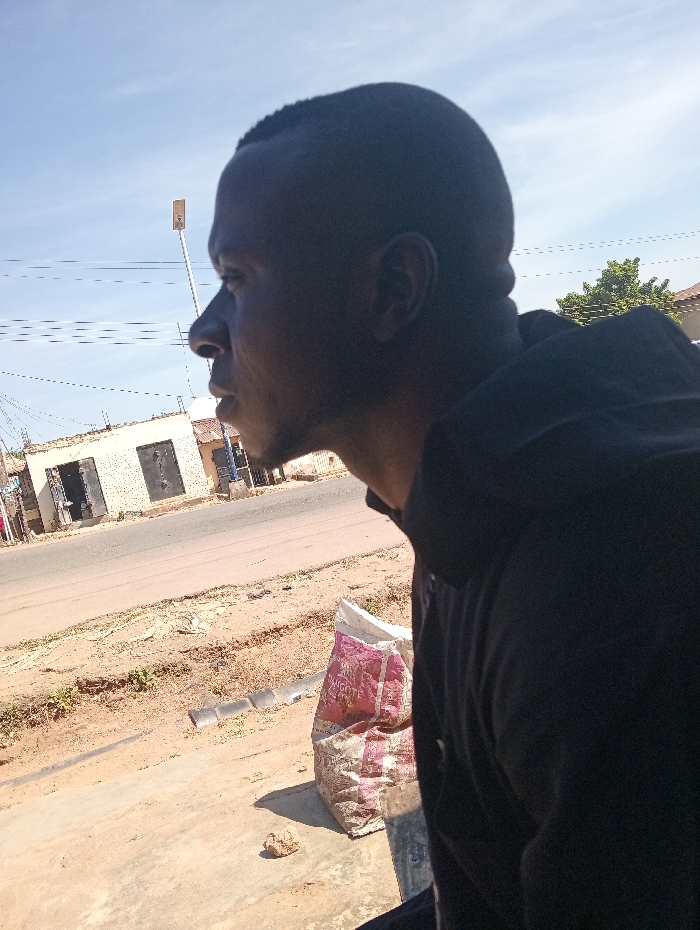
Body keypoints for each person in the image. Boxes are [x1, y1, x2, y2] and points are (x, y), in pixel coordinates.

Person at [189, 83, 700, 928]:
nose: (204, 331)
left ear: (393, 287)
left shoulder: (604, 585)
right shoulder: (483, 502)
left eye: (237, 280)